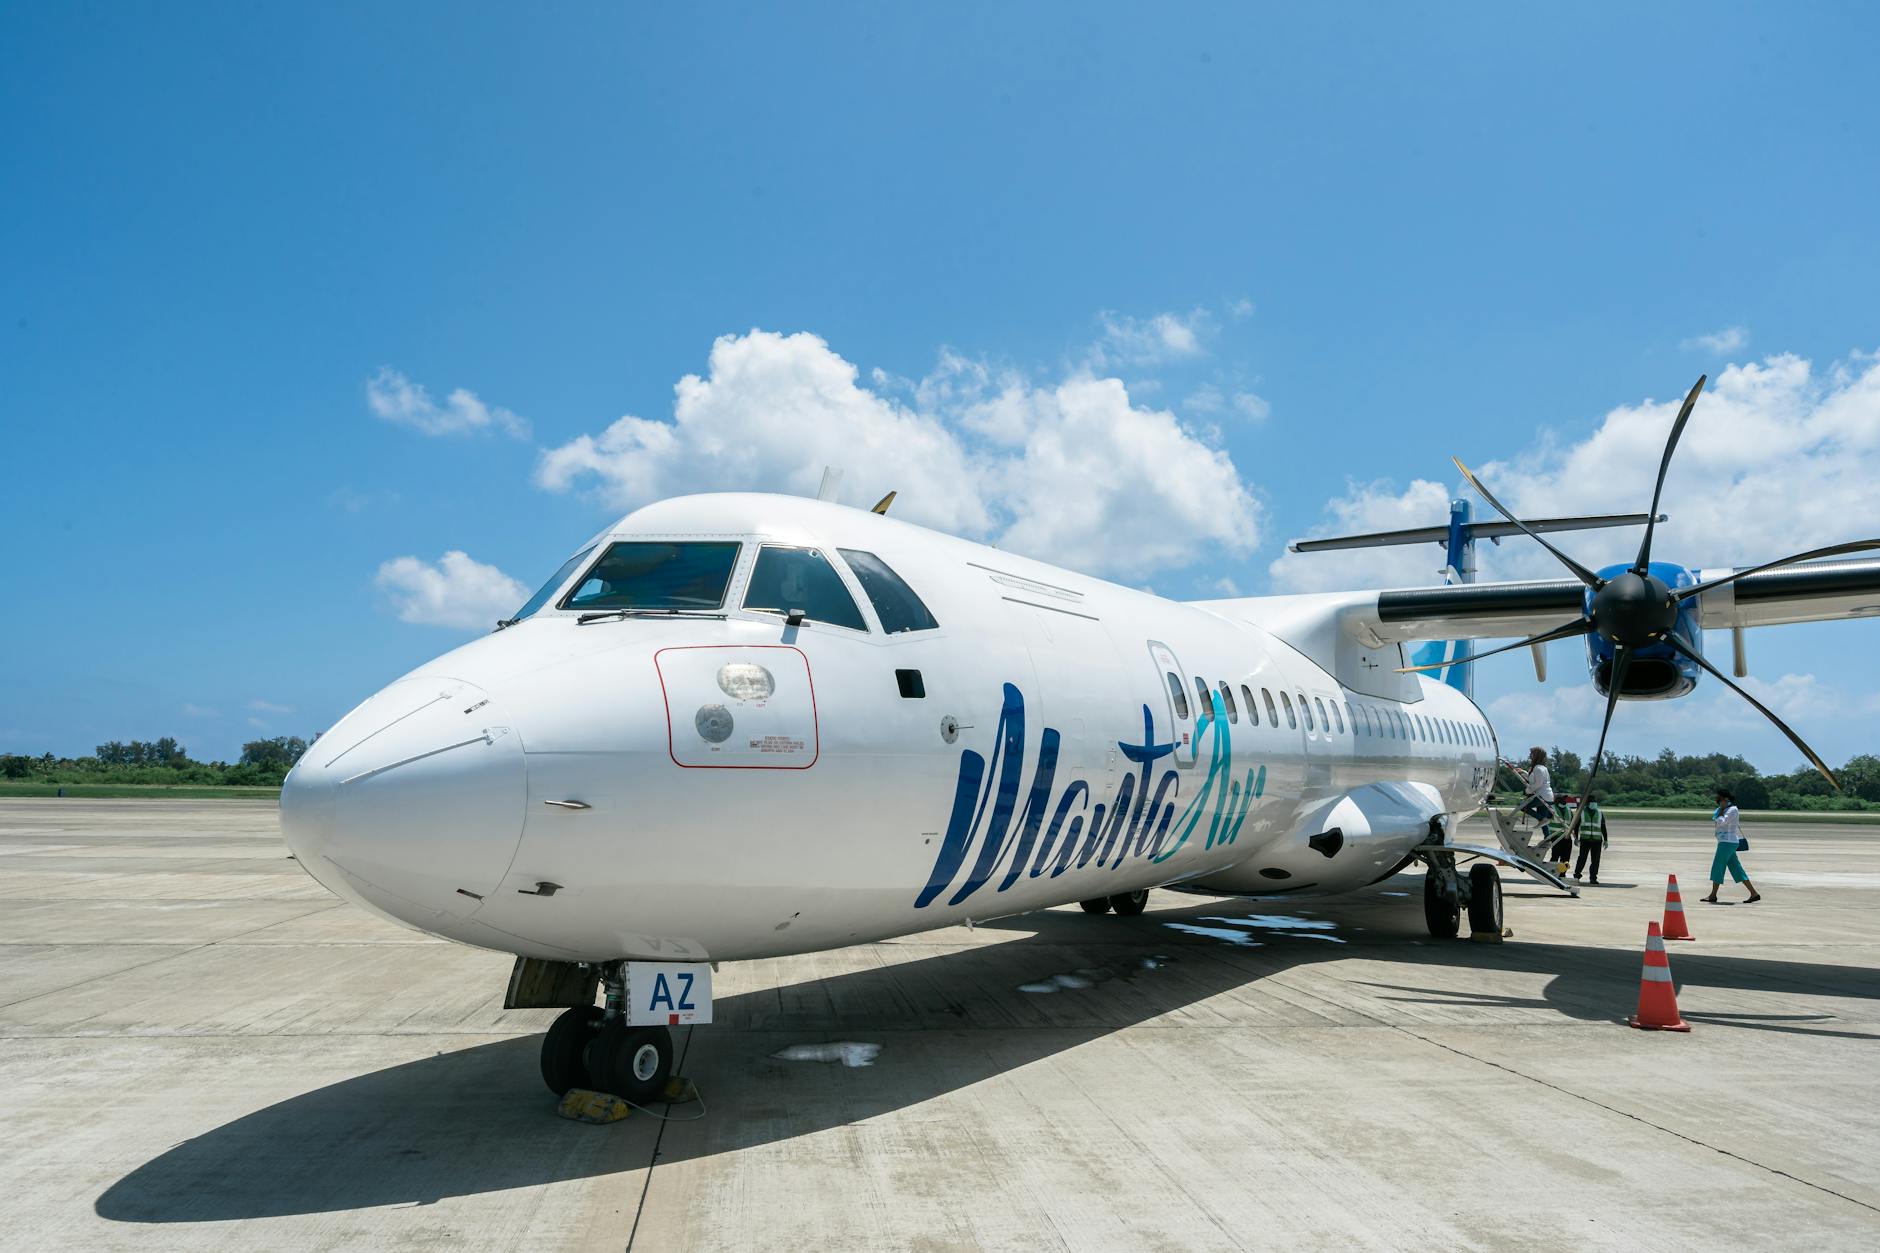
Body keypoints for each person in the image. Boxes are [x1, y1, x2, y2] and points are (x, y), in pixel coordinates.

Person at [1702, 787, 1761, 904]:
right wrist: (1720, 812)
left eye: (1719, 799)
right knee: (1736, 869)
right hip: (1725, 842)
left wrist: (1720, 814)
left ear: (1725, 799)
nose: (1718, 801)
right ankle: (1754, 893)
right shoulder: (1722, 809)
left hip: (1727, 842)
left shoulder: (1732, 810)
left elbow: (1722, 822)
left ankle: (1713, 895)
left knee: (1718, 866)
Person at [1507, 747, 1560, 864]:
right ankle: (1547, 840)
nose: (1530, 755)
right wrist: (1524, 773)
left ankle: (1542, 820)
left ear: (1537, 755)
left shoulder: (1538, 768)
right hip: (1544, 796)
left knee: (1523, 807)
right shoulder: (1540, 768)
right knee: (1543, 822)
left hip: (1542, 796)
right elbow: (1533, 780)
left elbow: (1537, 784)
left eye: (1532, 753)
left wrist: (1527, 791)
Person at [1572, 792, 1609, 885]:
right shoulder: (1582, 812)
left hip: (1597, 840)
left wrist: (1606, 840)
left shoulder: (1599, 813)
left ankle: (1593, 878)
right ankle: (1576, 876)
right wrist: (1576, 838)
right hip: (1585, 839)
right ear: (1587, 803)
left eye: (1594, 802)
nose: (1594, 803)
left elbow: (1603, 827)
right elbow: (1576, 826)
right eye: (1592, 802)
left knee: (1595, 860)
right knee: (1582, 859)